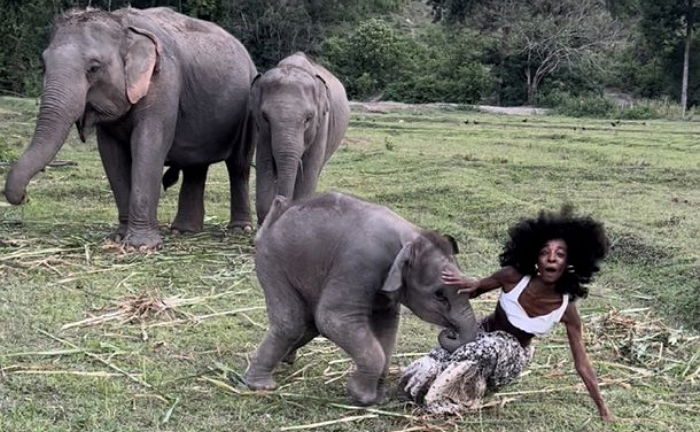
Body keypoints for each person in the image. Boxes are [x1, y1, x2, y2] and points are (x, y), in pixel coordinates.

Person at [400, 206, 612, 420]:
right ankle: (439, 380)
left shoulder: (566, 309)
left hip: (510, 354)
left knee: (488, 348)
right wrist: (456, 280)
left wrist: (602, 408)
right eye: (544, 252)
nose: (551, 258)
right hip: (482, 334)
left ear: (569, 263)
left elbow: (582, 363)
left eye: (560, 254)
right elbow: (475, 289)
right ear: (535, 258)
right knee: (437, 358)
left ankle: (455, 395)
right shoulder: (512, 277)